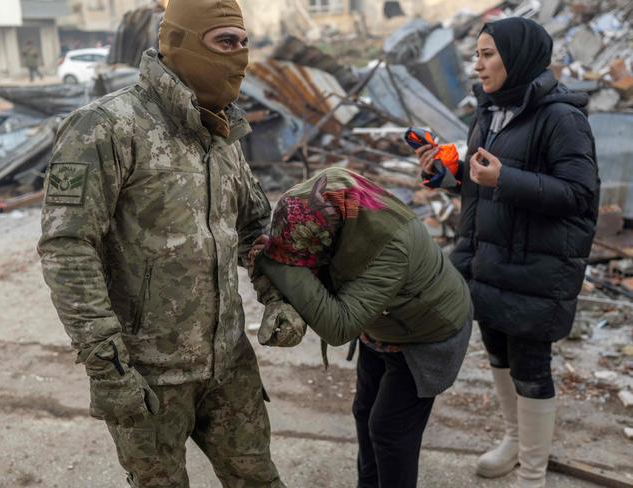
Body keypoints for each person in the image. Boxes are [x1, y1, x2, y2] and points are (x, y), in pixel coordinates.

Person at [38, 1, 296, 486]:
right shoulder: (106, 127)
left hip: (229, 364)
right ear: (177, 43)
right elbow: (68, 247)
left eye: (244, 43)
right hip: (148, 375)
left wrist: (280, 296)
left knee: (259, 479)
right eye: (224, 42)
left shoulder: (223, 129)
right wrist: (106, 364)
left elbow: (253, 227)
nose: (239, 57)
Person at [414, 17, 600, 488]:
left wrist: (506, 180)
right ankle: (514, 440)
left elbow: (580, 195)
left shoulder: (562, 118)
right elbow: (484, 184)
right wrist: (450, 175)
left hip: (535, 267)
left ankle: (533, 475)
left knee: (532, 370)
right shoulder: (490, 113)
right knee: (498, 354)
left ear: (517, 58)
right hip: (487, 260)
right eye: (475, 55)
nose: (477, 65)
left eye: (487, 54)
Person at [252, 167, 473, 488]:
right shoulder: (346, 214)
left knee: (389, 430)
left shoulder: (390, 245)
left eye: (305, 248)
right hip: (383, 325)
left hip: (428, 335)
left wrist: (277, 260)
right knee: (364, 411)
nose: (303, 257)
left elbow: (338, 327)